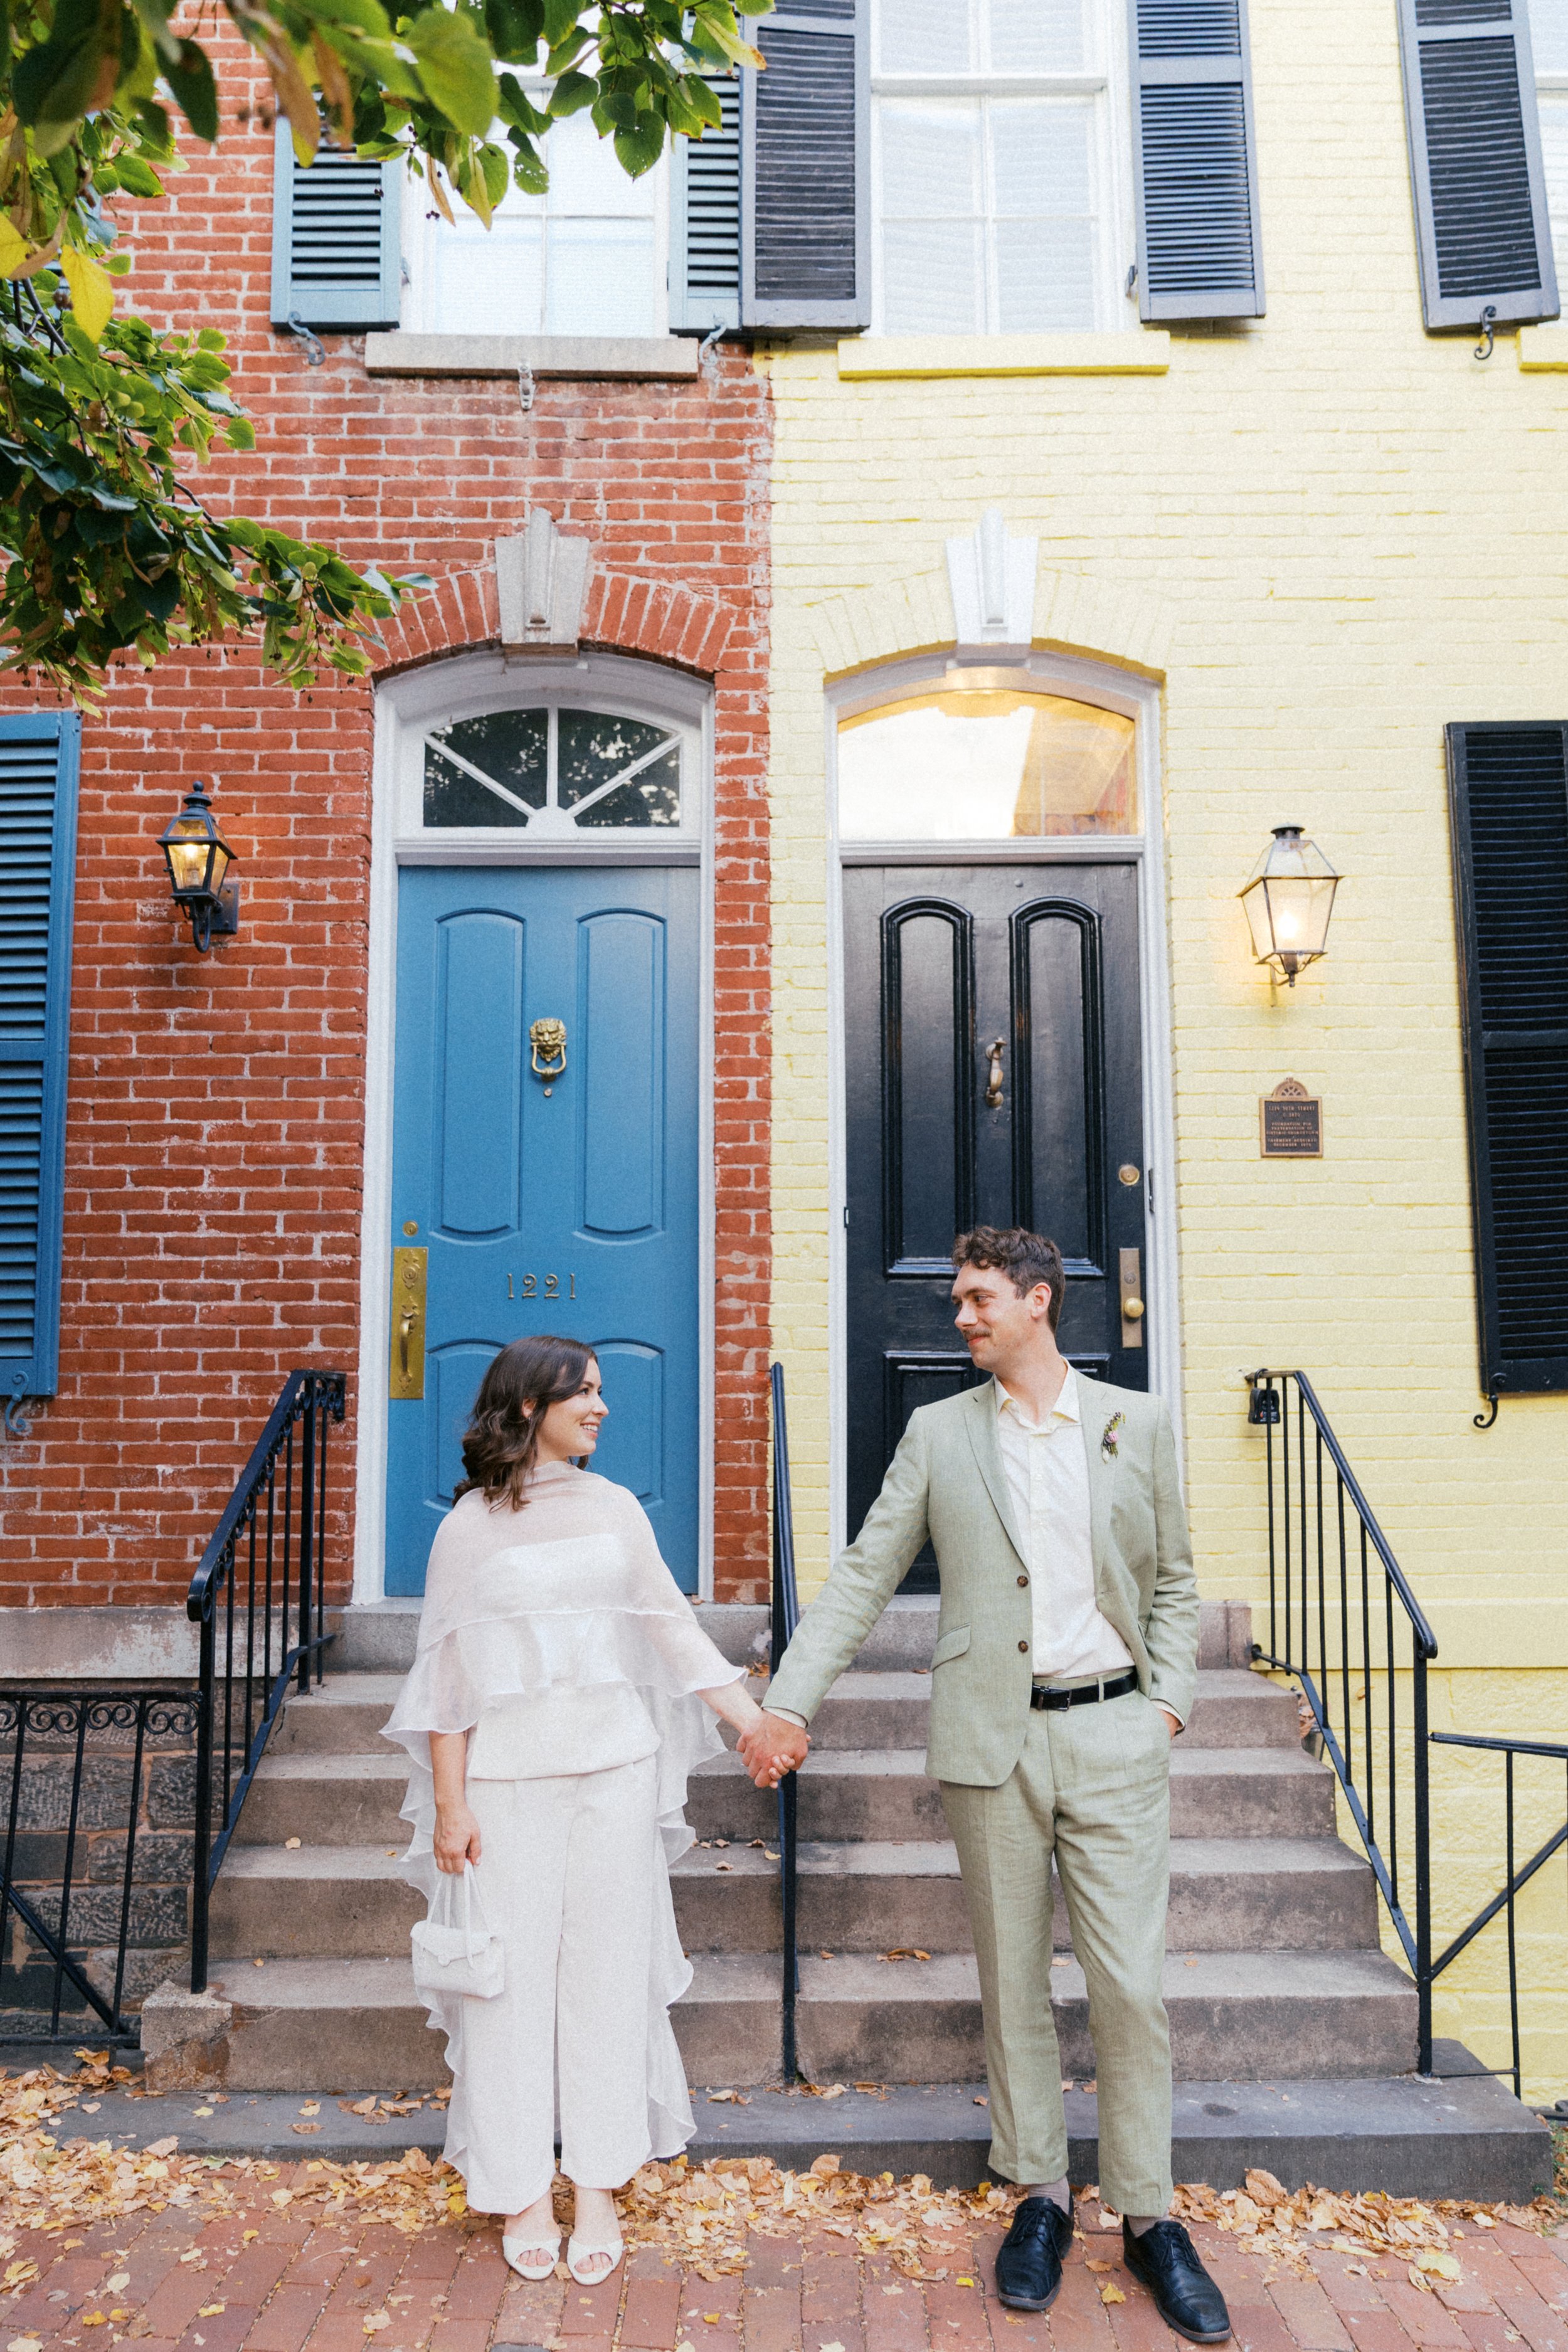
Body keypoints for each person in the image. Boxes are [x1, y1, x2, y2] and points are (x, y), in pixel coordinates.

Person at [743, 1227, 1231, 2344]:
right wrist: (791, 1699)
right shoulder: (937, 1433)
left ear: (1037, 1302)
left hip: (1113, 1731)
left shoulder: (1134, 1422)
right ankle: (1040, 2197)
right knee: (1013, 1982)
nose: (958, 1316)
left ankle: (1150, 2214)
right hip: (988, 1745)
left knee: (1130, 1988)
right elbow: (868, 1570)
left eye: (976, 1298)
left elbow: (1176, 1576)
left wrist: (1166, 1707)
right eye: (959, 1298)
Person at [383, 1334, 784, 2288]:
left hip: (614, 1770)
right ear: (528, 1406)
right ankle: (519, 2186)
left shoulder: (616, 1512)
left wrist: (752, 1723)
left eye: (602, 1390)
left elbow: (669, 1630)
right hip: (506, 1783)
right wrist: (448, 1805)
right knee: (509, 1989)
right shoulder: (467, 1526)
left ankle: (600, 2179)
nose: (602, 1406)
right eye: (584, 1392)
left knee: (606, 1978)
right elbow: (446, 1677)